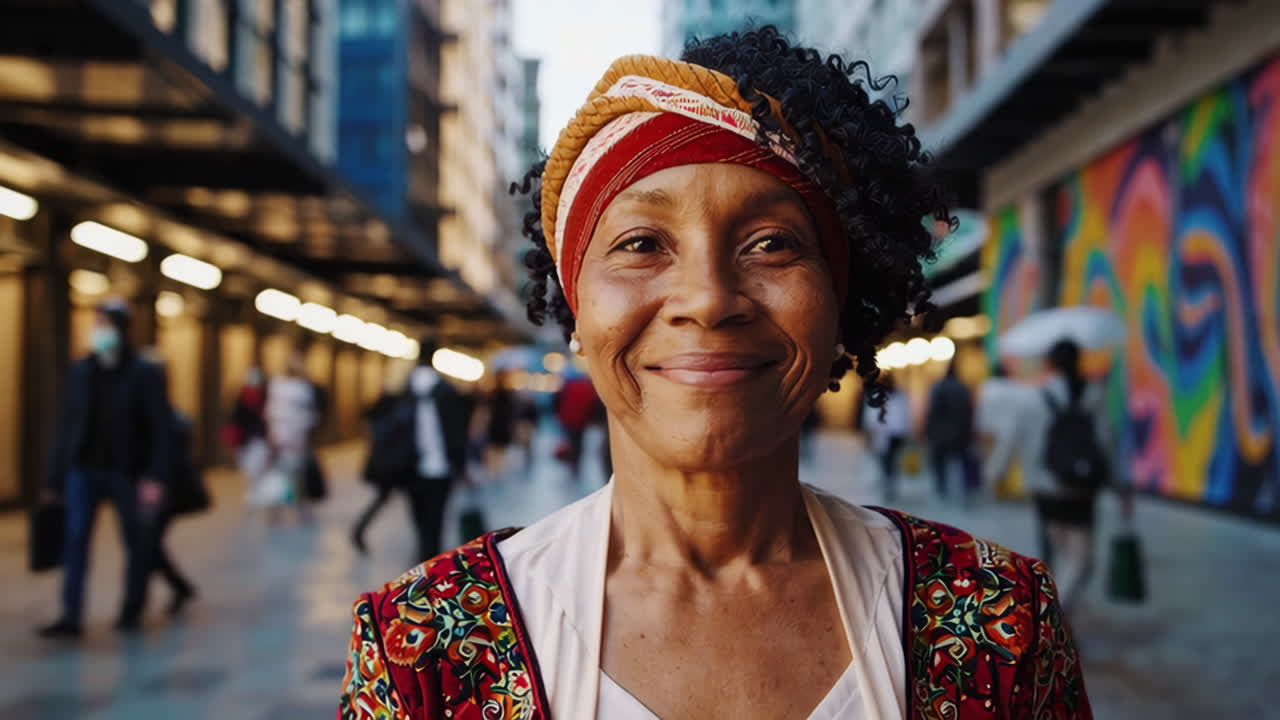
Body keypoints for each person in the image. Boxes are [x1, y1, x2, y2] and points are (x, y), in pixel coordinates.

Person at [339, 27, 1090, 719]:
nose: (707, 299)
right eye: (640, 243)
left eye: (771, 243)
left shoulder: (1001, 623)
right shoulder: (425, 648)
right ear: (576, 310)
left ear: (839, 305)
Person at [37, 299, 172, 637]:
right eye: (95, 325)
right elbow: (66, 425)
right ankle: (71, 615)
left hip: (127, 472)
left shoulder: (144, 372)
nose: (97, 332)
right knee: (75, 540)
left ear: (121, 330)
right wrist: (54, 478)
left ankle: (131, 611)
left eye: (103, 326)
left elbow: (160, 428)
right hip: (83, 470)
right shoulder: (82, 370)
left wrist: (155, 476)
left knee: (135, 542)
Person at [987, 339, 1116, 613]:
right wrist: (1120, 483)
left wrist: (995, 472)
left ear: (1050, 363)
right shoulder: (1094, 395)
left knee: (1056, 555)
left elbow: (1011, 437)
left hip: (1045, 489)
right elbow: (1106, 441)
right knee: (1080, 561)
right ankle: (1055, 615)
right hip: (1083, 487)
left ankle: (1051, 615)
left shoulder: (1033, 398)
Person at [352, 340, 474, 560]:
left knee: (418, 519)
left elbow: (372, 416)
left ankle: (422, 558)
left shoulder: (401, 387)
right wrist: (463, 467)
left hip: (408, 466)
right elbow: (458, 434)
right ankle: (430, 564)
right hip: (440, 468)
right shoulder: (447, 391)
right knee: (435, 521)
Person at [257, 350, 320, 523]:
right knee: (281, 475)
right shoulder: (281, 385)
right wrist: (274, 437)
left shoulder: (303, 386)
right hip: (283, 437)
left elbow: (308, 415)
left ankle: (299, 510)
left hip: (295, 438)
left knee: (295, 475)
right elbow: (273, 413)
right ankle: (278, 512)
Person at [924, 359, 977, 503]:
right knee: (961, 462)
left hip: (941, 433)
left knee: (940, 463)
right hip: (961, 432)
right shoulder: (963, 388)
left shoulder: (939, 387)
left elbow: (933, 412)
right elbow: (969, 412)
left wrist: (928, 431)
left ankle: (942, 489)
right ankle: (965, 490)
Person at [861, 373, 912, 502]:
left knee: (888, 459)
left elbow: (870, 416)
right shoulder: (896, 396)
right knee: (888, 460)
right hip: (888, 433)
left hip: (890, 434)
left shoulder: (896, 396)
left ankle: (889, 482)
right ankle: (888, 481)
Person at [224, 368, 270, 498]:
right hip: (245, 440)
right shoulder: (240, 398)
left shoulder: (265, 397)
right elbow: (234, 419)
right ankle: (254, 492)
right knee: (249, 470)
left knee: (257, 468)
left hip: (258, 439)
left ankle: (256, 493)